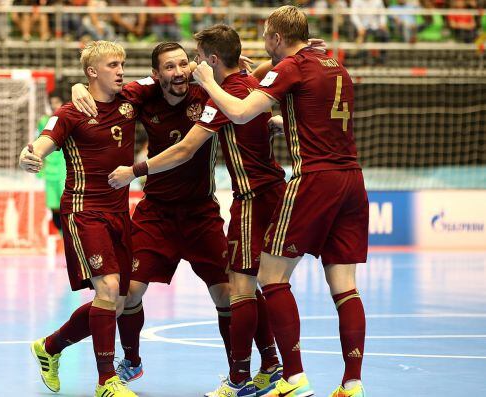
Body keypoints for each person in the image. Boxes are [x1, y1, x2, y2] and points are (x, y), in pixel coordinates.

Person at [165, 6, 367, 397]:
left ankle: (293, 378)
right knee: (345, 287)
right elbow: (306, 106)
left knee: (271, 278)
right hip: (353, 181)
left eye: (266, 37)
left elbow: (240, 112)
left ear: (275, 38)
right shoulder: (335, 65)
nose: (263, 45)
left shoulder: (291, 67)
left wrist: (207, 79)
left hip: (314, 179)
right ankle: (352, 383)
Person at [71, 40, 283, 397]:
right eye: (169, 67)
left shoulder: (206, 92)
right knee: (128, 292)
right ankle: (132, 360)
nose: (179, 72)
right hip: (156, 214)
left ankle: (260, 366)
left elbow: (247, 83)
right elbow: (103, 90)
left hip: (201, 213)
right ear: (156, 75)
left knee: (231, 292)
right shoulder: (143, 95)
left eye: (183, 64)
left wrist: (260, 72)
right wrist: (78, 86)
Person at [19, 41, 139, 397]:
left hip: (119, 212)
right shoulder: (71, 111)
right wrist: (32, 156)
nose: (120, 70)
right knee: (106, 289)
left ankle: (50, 347)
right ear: (92, 72)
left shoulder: (131, 101)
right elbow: (44, 139)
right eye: (112, 65)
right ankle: (106, 382)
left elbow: (169, 81)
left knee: (117, 301)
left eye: (122, 63)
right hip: (84, 211)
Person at [36, 95, 67, 234]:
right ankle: (63, 237)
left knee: (67, 205)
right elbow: (38, 140)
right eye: (52, 103)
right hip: (50, 170)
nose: (54, 105)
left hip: (66, 168)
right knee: (54, 207)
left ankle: (70, 239)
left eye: (57, 102)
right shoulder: (44, 121)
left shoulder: (69, 118)